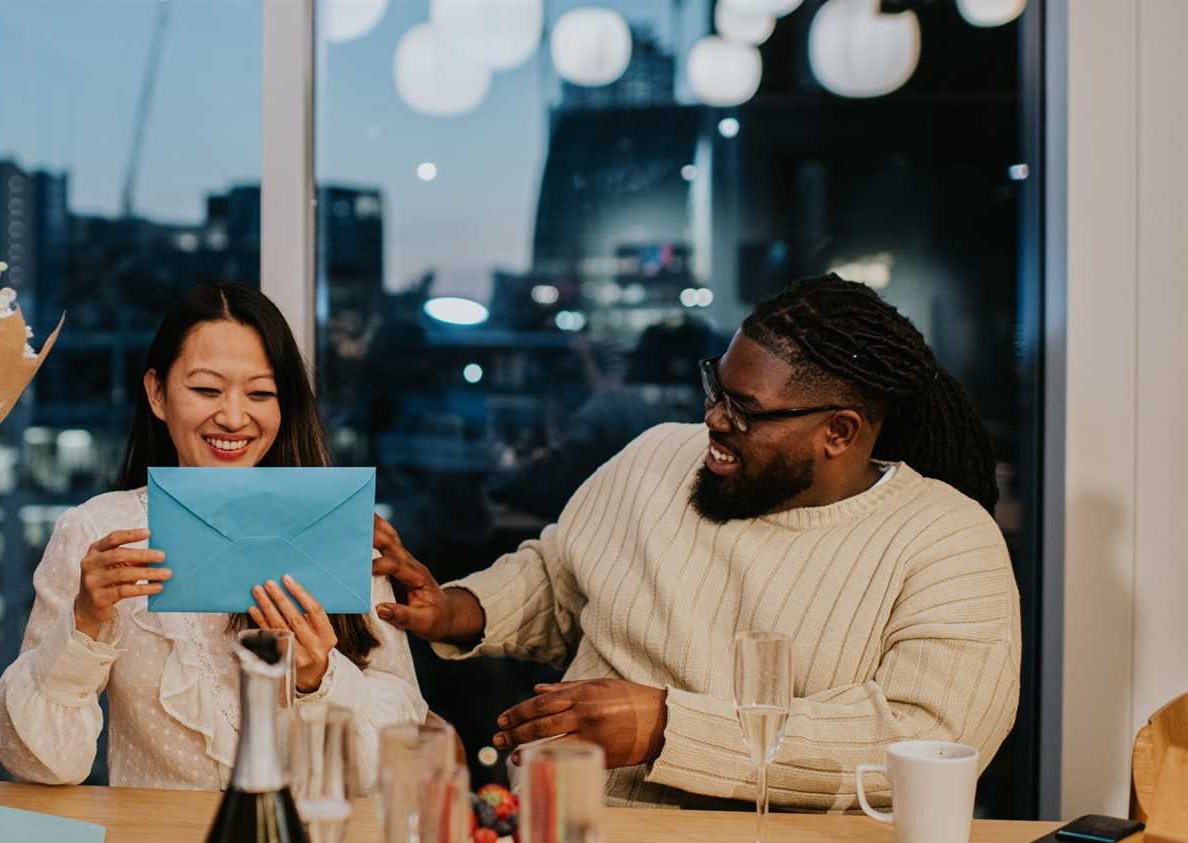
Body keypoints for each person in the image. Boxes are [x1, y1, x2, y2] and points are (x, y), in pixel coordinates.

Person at [371, 274, 1021, 810]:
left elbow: (927, 739)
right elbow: (560, 576)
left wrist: (665, 728)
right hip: (569, 839)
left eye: (744, 409)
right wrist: (459, 607)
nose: (713, 418)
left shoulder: (948, 543)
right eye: (716, 387)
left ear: (840, 433)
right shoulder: (656, 457)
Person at [0, 283, 426, 792]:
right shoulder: (98, 532)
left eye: (260, 394)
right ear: (157, 393)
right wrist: (84, 625)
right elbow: (38, 764)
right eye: (206, 390)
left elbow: (401, 753)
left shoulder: (333, 524)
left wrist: (318, 676)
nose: (234, 417)